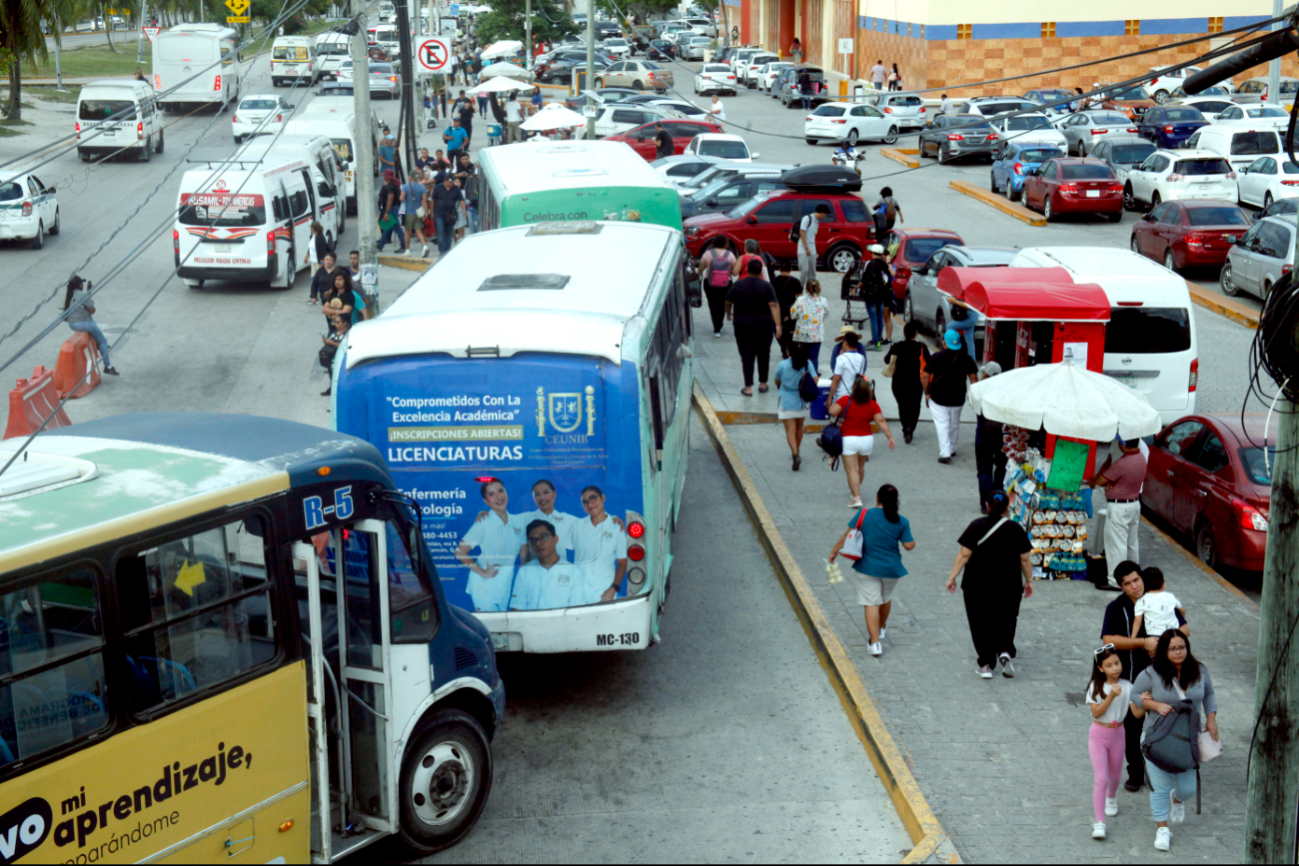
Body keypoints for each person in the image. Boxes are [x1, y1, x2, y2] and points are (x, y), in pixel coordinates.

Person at [1101, 562, 1190, 793]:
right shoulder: (1116, 608)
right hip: (1131, 679)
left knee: (1167, 723)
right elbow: (1108, 640)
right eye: (1127, 583)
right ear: (1121, 587)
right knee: (1131, 726)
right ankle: (1136, 771)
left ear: (1142, 578)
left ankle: (1166, 767)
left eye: (1136, 580)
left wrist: (1165, 643)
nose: (1133, 586)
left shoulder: (1160, 600)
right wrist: (1142, 642)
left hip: (1165, 679)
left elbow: (1186, 630)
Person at [1131, 631, 1218, 852]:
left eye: (1182, 647)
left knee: (1188, 788)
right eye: (1173, 648)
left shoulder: (1200, 670)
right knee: (1161, 786)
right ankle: (1162, 828)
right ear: (1164, 651)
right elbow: (1134, 694)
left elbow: (1209, 695)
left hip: (1188, 739)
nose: (1178, 652)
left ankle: (1177, 801)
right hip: (1157, 737)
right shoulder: (1152, 673)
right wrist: (1154, 705)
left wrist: (1211, 719)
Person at [945, 489, 1034, 678]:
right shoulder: (1015, 529)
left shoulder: (976, 526)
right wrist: (1029, 580)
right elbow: (1025, 559)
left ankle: (985, 664)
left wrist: (952, 577)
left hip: (977, 585)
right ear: (1007, 507)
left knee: (980, 622)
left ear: (987, 505)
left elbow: (963, 555)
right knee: (1007, 619)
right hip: (1009, 586)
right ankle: (1004, 651)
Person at [829, 484, 914, 655]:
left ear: (877, 498)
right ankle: (881, 628)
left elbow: (847, 535)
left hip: (867, 567)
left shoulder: (864, 514)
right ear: (896, 501)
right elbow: (909, 546)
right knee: (885, 598)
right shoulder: (901, 521)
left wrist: (834, 551)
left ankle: (875, 644)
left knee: (871, 603)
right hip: (892, 570)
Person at [455, 479, 528, 612]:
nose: (498, 497)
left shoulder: (518, 522)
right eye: (491, 494)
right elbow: (460, 552)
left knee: (501, 626)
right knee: (492, 627)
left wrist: (526, 576)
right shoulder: (483, 522)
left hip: (504, 585)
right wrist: (482, 572)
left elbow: (523, 552)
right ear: (486, 501)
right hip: (483, 588)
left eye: (501, 491)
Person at [1087, 646, 1131, 841]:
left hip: (1118, 734)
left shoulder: (1128, 686)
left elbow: (1136, 713)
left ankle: (1111, 797)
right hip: (1098, 734)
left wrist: (1145, 701)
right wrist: (1111, 696)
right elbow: (1096, 712)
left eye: (1117, 663)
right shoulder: (1096, 687)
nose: (1115, 668)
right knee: (1101, 778)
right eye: (1109, 665)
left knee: (1115, 775)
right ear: (1100, 668)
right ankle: (1099, 822)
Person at [1091, 437, 1148, 587]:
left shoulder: (1121, 463)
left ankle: (1116, 581)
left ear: (1123, 445)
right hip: (1134, 504)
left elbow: (1100, 481)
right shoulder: (1141, 458)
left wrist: (1111, 481)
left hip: (1119, 507)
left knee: (1116, 545)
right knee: (1131, 542)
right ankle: (1135, 575)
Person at [830, 378, 895, 509]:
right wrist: (890, 437)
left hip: (848, 439)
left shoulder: (845, 400)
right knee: (860, 467)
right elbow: (880, 421)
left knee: (851, 470)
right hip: (866, 439)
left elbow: (832, 412)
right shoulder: (872, 404)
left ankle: (856, 498)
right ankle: (855, 492)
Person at [922, 329, 979, 464]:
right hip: (958, 398)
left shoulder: (936, 357)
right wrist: (974, 397)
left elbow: (925, 376)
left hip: (938, 397)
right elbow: (974, 379)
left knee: (942, 424)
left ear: (944, 343)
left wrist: (926, 392)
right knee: (954, 424)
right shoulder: (966, 358)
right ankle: (952, 447)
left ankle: (945, 453)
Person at [726, 258, 781, 396]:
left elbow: (728, 301)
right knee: (764, 354)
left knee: (747, 355)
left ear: (747, 269)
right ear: (760, 272)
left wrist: (728, 313)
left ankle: (748, 387)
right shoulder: (767, 286)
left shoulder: (738, 285)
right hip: (764, 325)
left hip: (743, 325)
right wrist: (778, 325)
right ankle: (763, 383)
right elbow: (774, 305)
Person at [510, 520, 590, 611]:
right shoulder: (525, 572)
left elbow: (576, 612)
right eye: (533, 540)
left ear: (556, 539)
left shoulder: (573, 572)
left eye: (543, 537)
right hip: (530, 624)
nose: (538, 543)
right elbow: (517, 609)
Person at [571, 486, 628, 603]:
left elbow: (622, 563)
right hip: (578, 592)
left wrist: (613, 589)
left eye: (593, 498)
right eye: (585, 502)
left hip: (603, 592)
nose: (590, 504)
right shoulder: (577, 525)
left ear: (603, 498)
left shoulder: (616, 528)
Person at [62, 276, 118, 376]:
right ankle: (108, 367)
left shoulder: (70, 294)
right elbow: (92, 310)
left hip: (72, 324)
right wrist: (88, 298)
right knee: (103, 341)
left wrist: (89, 294)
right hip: (83, 323)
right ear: (80, 285)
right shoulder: (83, 295)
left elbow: (84, 305)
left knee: (93, 324)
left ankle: (97, 344)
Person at [882, 321, 928, 444]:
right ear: (916, 333)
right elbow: (929, 364)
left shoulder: (897, 346)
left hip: (899, 382)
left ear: (904, 333)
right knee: (915, 405)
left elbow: (886, 360)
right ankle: (910, 427)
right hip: (915, 382)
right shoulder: (921, 347)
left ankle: (905, 427)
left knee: (902, 405)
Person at [774, 342, 814, 470]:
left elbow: (777, 380)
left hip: (786, 400)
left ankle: (795, 453)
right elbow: (816, 380)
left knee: (790, 430)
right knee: (799, 427)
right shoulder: (808, 364)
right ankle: (797, 449)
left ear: (789, 352)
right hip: (802, 401)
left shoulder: (782, 365)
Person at [1131, 567, 1185, 641]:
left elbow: (1138, 621)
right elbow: (1182, 611)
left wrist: (1133, 638)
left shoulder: (1141, 601)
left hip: (1154, 636)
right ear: (1163, 585)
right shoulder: (1170, 596)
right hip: (1172, 633)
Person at [698, 236, 736, 337]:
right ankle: (720, 324)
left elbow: (701, 268)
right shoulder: (730, 255)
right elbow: (734, 270)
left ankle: (717, 329)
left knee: (713, 304)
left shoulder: (707, 253)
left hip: (710, 283)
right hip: (726, 283)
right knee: (723, 304)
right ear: (725, 243)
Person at [790, 277, 827, 374]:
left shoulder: (800, 300)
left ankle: (800, 377)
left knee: (801, 357)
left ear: (806, 288)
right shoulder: (823, 301)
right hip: (816, 334)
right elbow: (825, 315)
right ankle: (812, 378)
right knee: (814, 358)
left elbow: (793, 315)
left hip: (801, 334)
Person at [860, 243, 893, 350]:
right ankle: (878, 340)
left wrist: (856, 288)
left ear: (872, 253)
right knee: (879, 318)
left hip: (871, 296)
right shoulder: (884, 265)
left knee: (873, 318)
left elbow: (864, 279)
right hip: (882, 296)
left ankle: (875, 343)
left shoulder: (871, 264)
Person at [827, 327, 867, 408]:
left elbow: (836, 378)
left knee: (833, 412)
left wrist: (829, 398)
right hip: (857, 389)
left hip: (842, 394)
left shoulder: (841, 358)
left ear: (845, 342)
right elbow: (863, 368)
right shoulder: (861, 356)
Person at [771, 259, 802, 359]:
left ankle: (783, 347)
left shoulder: (773, 281)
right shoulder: (796, 281)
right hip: (790, 310)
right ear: (791, 269)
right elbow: (800, 298)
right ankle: (788, 348)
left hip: (776, 309)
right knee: (790, 330)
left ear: (779, 269)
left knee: (777, 329)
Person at [431, 171, 466, 256]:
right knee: (441, 232)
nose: (452, 184)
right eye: (450, 182)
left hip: (451, 214)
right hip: (439, 213)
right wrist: (431, 212)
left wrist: (464, 210)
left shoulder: (456, 189)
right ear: (446, 180)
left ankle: (447, 250)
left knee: (449, 232)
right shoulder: (438, 188)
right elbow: (433, 200)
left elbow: (461, 200)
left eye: (453, 182)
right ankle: (442, 251)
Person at [797, 204, 831, 286]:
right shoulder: (807, 218)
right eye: (825, 214)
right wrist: (806, 248)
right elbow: (802, 232)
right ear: (822, 213)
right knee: (804, 270)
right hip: (803, 249)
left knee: (812, 271)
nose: (825, 217)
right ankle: (800, 288)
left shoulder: (816, 221)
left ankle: (811, 289)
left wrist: (813, 251)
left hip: (812, 249)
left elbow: (812, 236)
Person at [318, 313, 350, 397]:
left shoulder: (348, 334)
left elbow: (345, 346)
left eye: (338, 322)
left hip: (340, 361)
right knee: (332, 377)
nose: (336, 324)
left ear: (345, 323)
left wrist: (332, 343)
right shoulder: (334, 332)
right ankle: (332, 390)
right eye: (335, 322)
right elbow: (329, 343)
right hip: (330, 359)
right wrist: (326, 341)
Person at [400, 172, 430, 258]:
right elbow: (424, 201)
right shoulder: (422, 187)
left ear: (410, 177)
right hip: (419, 212)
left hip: (409, 212)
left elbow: (401, 198)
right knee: (419, 231)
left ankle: (407, 251)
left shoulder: (405, 186)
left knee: (407, 231)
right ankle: (425, 246)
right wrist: (425, 213)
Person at [376, 170, 406, 254]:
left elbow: (390, 199)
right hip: (394, 208)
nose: (383, 177)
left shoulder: (390, 187)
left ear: (387, 178)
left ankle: (404, 245)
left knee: (397, 228)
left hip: (391, 209)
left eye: (385, 176)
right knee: (388, 228)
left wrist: (387, 212)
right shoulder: (395, 185)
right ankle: (381, 245)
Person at [457, 152, 480, 234]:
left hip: (470, 191)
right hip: (461, 189)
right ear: (460, 160)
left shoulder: (473, 167)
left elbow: (477, 177)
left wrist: (470, 176)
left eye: (466, 159)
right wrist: (459, 175)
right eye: (463, 159)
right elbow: (452, 176)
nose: (465, 160)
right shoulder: (457, 167)